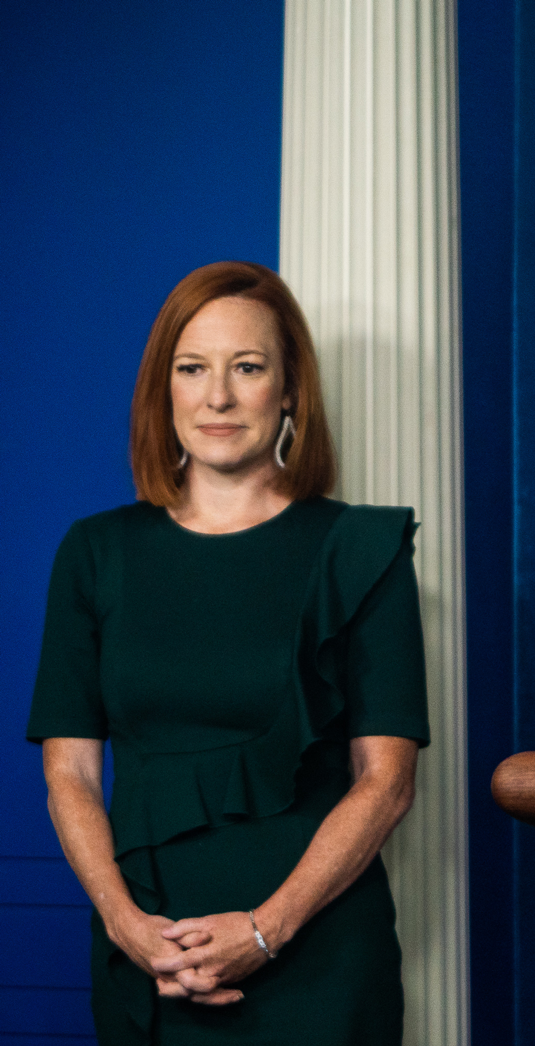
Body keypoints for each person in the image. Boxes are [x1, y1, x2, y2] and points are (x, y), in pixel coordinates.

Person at [28, 261, 429, 1043]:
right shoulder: (94, 552)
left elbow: (386, 783)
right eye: (192, 369)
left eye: (247, 368)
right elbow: (69, 773)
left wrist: (264, 930)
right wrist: (126, 924)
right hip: (149, 953)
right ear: (163, 388)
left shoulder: (359, 550)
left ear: (289, 391)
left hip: (319, 959)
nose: (217, 397)